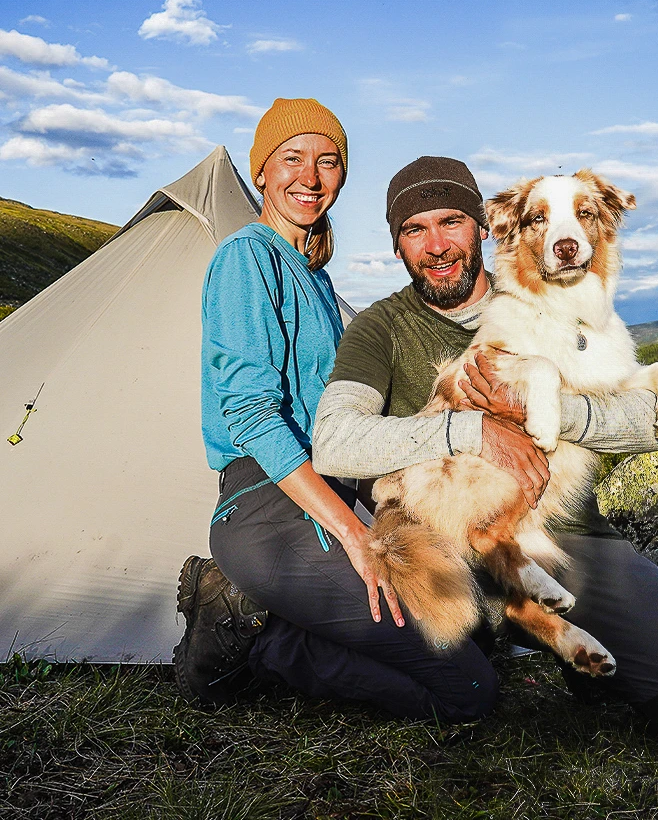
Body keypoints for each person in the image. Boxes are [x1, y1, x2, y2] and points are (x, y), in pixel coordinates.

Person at [309, 156, 658, 749]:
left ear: (484, 226)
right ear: (396, 246)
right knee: (456, 656)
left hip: (570, 530)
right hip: (463, 520)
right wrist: (470, 430)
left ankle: (542, 632)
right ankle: (502, 621)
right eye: (414, 230)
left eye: (450, 222)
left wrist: (549, 412)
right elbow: (335, 442)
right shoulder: (380, 327)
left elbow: (642, 423)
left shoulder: (552, 289)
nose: (436, 245)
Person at [174, 101, 497, 723]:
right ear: (261, 172)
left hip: (331, 489)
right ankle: (256, 644)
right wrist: (354, 534)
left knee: (477, 631)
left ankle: (267, 608)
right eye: (292, 159)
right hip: (271, 505)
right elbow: (250, 413)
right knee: (470, 692)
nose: (311, 177)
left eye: (328, 161)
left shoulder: (313, 275)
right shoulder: (247, 258)